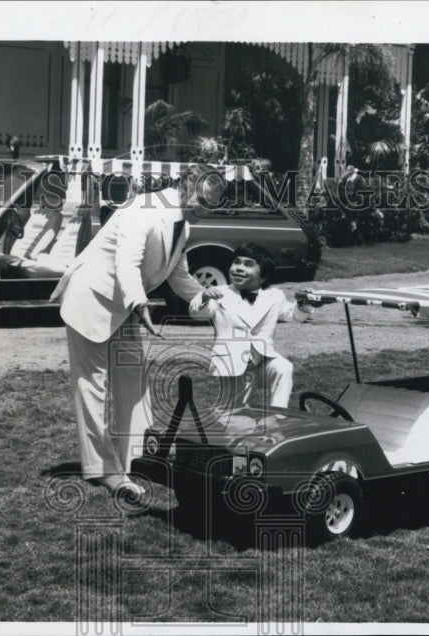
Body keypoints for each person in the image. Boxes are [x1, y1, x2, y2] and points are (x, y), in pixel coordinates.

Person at [50, 166, 225, 496]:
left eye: (213, 204)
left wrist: (211, 301)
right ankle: (104, 470)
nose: (206, 210)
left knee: (135, 381)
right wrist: (141, 303)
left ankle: (141, 459)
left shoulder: (183, 224)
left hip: (125, 304)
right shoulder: (144, 209)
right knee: (92, 387)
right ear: (185, 187)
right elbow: (126, 263)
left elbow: (178, 276)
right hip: (92, 298)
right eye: (203, 201)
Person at [188, 242, 316, 409]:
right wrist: (204, 297)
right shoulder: (219, 293)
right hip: (233, 363)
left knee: (283, 367)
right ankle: (223, 421)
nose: (239, 268)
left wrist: (304, 304)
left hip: (263, 360)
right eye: (236, 262)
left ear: (263, 277)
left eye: (248, 265)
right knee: (231, 411)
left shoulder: (274, 296)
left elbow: (293, 315)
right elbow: (197, 314)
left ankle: (278, 415)